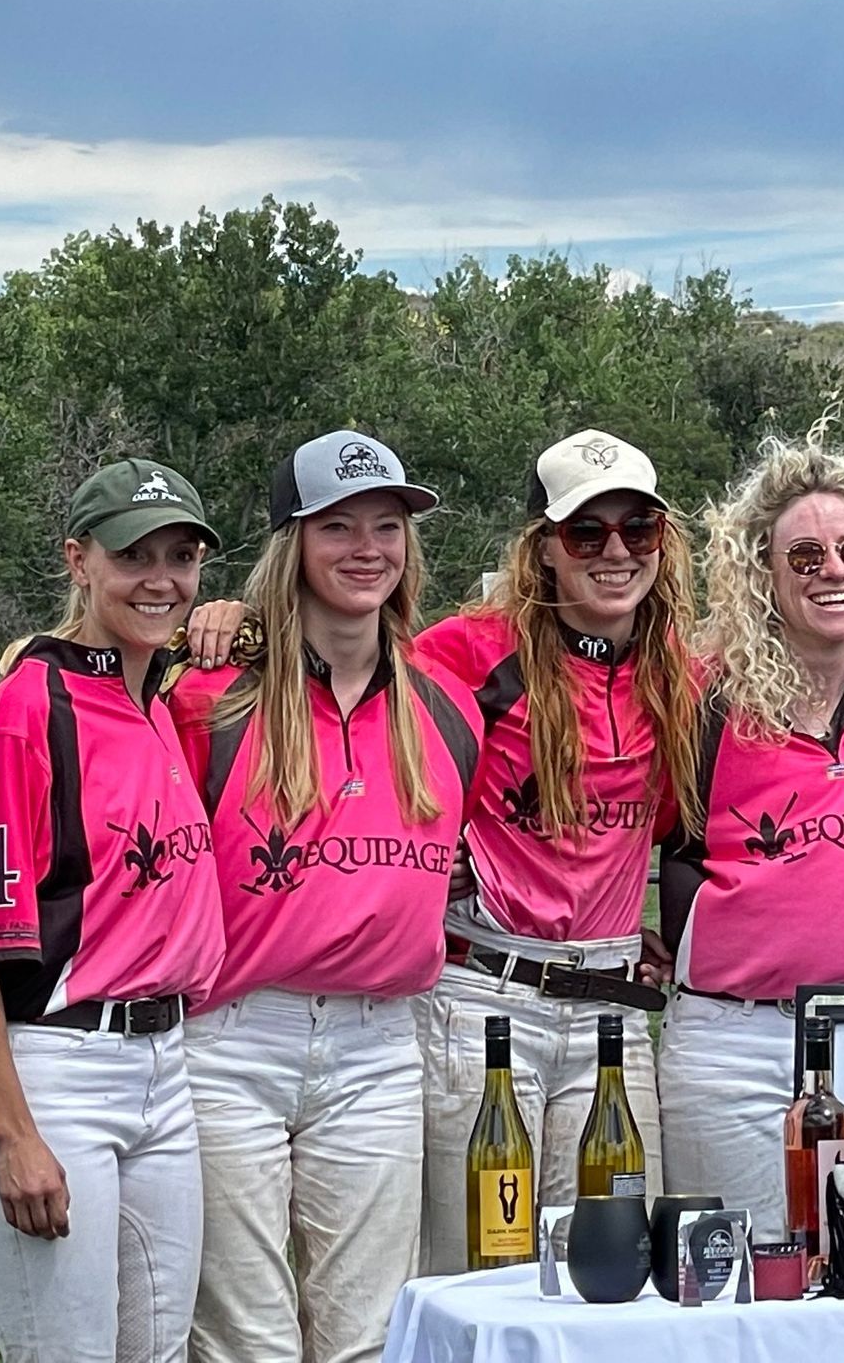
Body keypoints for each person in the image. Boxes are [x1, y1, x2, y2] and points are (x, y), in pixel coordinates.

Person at [169, 431, 479, 1362]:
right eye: (336, 525)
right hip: (232, 1041)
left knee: (368, 1338)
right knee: (245, 1340)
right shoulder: (210, 697)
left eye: (387, 525)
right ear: (291, 544)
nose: (367, 547)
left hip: (379, 1046)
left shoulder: (448, 707)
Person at [408, 429, 698, 1272]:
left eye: (637, 530)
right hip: (486, 1000)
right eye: (586, 533)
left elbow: (683, 829)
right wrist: (240, 629)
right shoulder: (467, 651)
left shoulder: (674, 669)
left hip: (610, 1004)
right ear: (544, 550)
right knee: (483, 1270)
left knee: (615, 1264)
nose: (616, 552)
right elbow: (342, 696)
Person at [658, 437, 844, 1237]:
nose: (835, 569)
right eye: (806, 554)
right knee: (738, 1293)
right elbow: (627, 833)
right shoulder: (705, 699)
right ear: (764, 572)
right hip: (734, 1047)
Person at [0, 460, 226, 1363]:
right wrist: (14, 1136)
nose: (161, 580)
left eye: (183, 555)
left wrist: (235, 619)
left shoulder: (157, 698)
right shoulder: (27, 708)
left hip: (167, 1067)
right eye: (134, 555)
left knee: (159, 1354)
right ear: (78, 560)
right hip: (59, 1066)